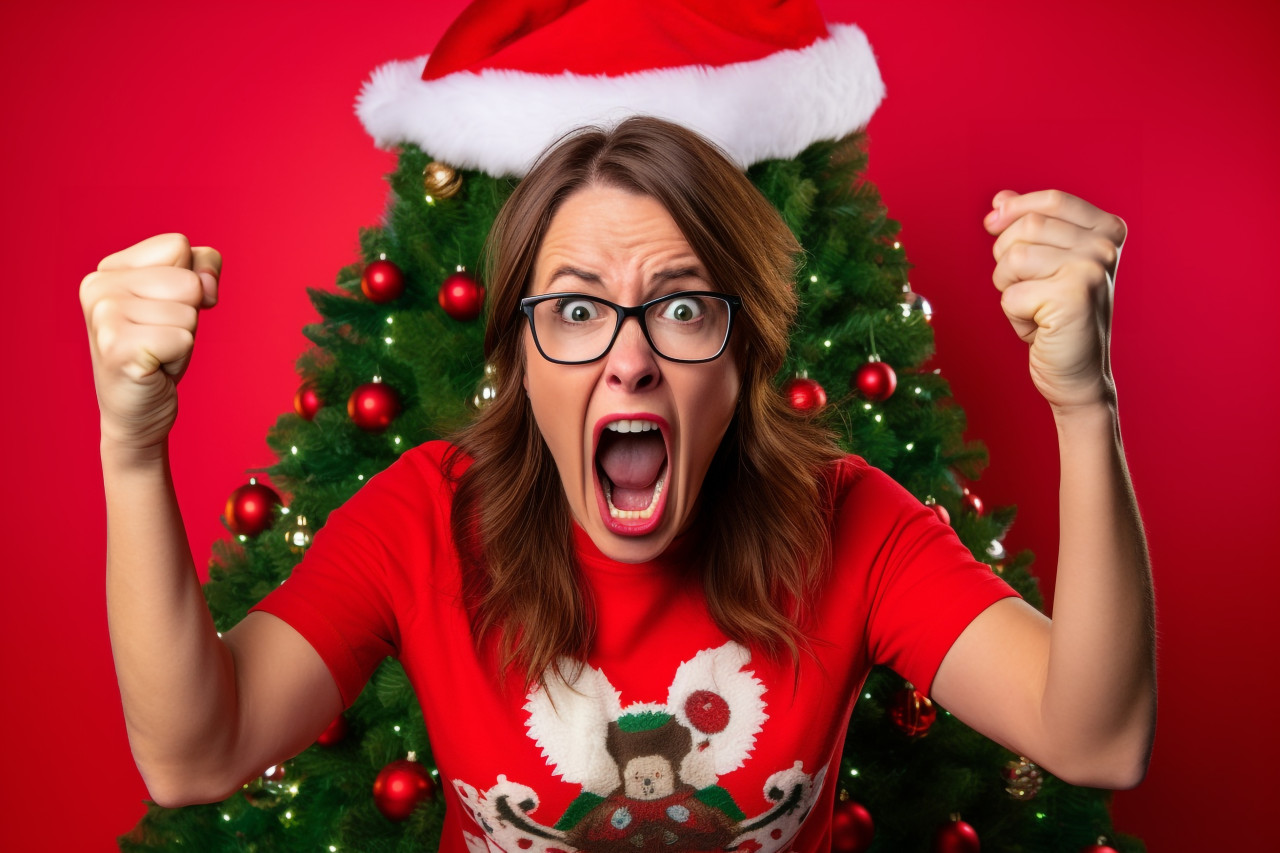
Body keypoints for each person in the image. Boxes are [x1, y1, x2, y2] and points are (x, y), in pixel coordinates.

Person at [80, 117, 1154, 852]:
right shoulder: (425, 518)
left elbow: (1093, 733)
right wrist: (132, 451)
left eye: (683, 308)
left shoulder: (848, 520)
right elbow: (193, 753)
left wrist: (1082, 405)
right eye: (578, 310)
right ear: (521, 358)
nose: (628, 360)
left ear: (744, 360)